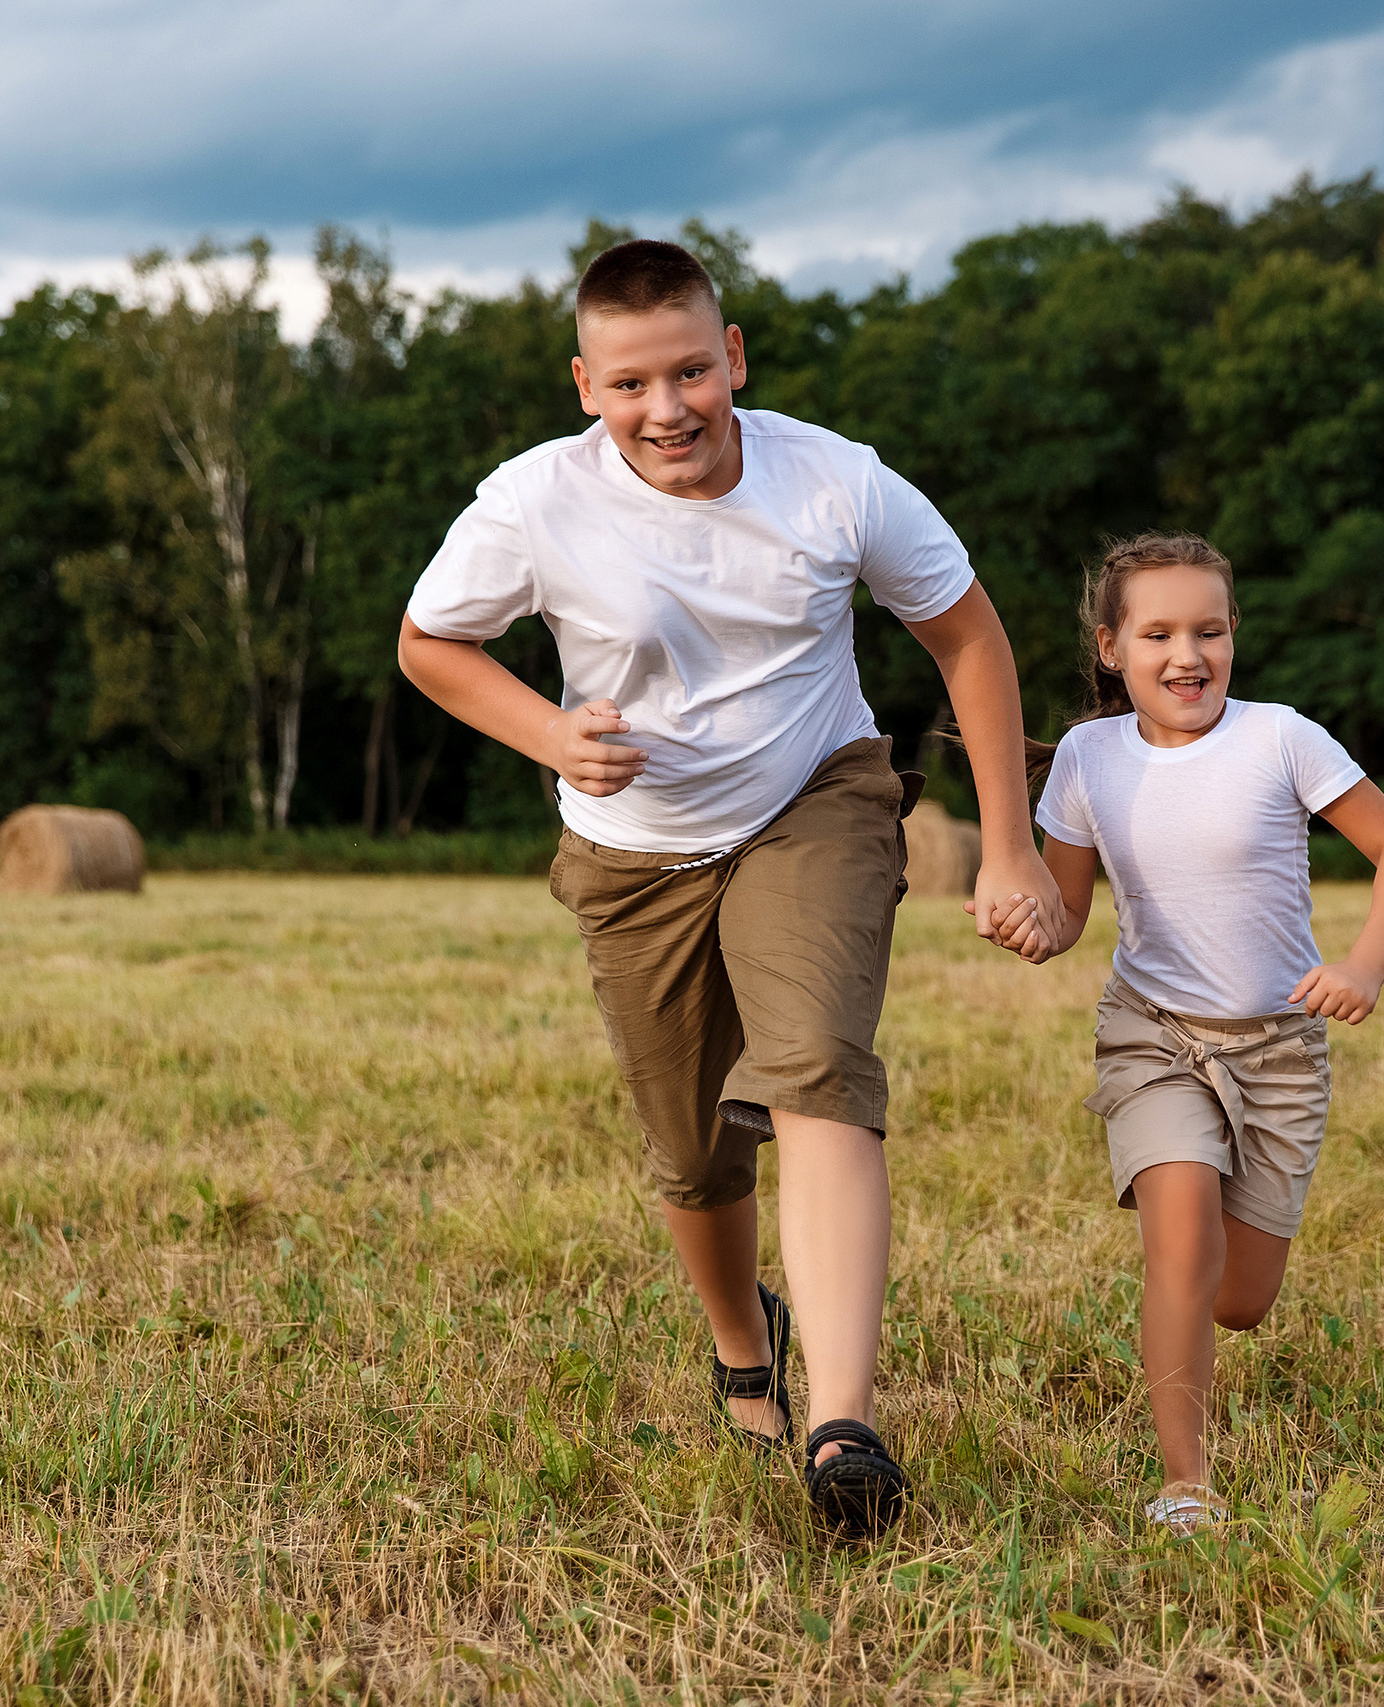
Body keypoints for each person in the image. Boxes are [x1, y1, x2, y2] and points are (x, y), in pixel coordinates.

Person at [396, 239, 1066, 1538]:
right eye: (632, 383)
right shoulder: (534, 500)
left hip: (814, 795)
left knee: (816, 1065)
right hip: (632, 847)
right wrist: (551, 736)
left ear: (735, 357)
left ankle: (844, 1426)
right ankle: (745, 1353)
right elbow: (431, 642)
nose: (668, 409)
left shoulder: (836, 480)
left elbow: (968, 635)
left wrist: (1008, 842)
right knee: (696, 1154)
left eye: (692, 372)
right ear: (586, 384)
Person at [987, 533, 1384, 1537]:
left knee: (1239, 1301)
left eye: (1208, 631)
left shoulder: (1281, 738)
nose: (1186, 655)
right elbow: (1067, 914)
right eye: (1158, 634)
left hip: (1278, 1050)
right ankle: (1184, 1483)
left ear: (1234, 635)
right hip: (1154, 1035)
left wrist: (1363, 966)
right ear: (1112, 648)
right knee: (1180, 1236)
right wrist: (1029, 923)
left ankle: (1201, 1303)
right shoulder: (1089, 759)